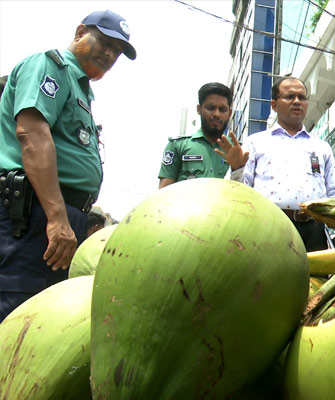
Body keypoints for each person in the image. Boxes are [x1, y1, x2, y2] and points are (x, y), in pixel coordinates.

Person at [0, 10, 136, 321]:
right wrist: (57, 219)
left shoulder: (80, 88)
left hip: (57, 217)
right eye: (104, 42)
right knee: (18, 310)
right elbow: (32, 134)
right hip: (36, 213)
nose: (109, 54)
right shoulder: (49, 66)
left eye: (116, 51)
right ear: (79, 33)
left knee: (43, 319)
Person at [220, 77, 335, 251]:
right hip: (269, 228)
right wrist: (237, 168)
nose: (297, 102)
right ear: (274, 105)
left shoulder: (321, 147)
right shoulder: (255, 143)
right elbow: (240, 196)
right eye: (289, 96)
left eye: (302, 97)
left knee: (315, 279)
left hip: (314, 231)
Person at [158, 82, 240, 188]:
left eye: (222, 109)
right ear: (199, 109)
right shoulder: (178, 146)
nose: (216, 114)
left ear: (229, 113)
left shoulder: (239, 150)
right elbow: (164, 192)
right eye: (210, 108)